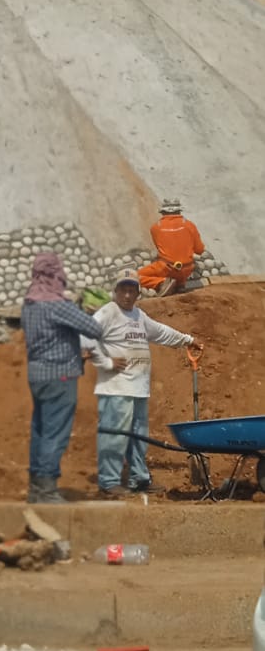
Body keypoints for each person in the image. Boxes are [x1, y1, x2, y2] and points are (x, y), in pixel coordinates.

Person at [85, 268, 195, 496]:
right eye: (123, 290)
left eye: (131, 290)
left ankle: (139, 478)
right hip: (116, 389)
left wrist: (188, 340)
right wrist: (106, 362)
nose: (127, 295)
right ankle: (109, 481)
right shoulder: (108, 313)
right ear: (115, 292)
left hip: (138, 389)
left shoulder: (139, 316)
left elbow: (161, 332)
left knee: (138, 438)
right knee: (114, 437)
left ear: (137, 294)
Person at [22, 252, 105, 503]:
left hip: (37, 375)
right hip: (61, 375)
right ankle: (47, 489)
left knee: (40, 430)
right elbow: (95, 329)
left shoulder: (29, 304)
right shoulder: (57, 305)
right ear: (55, 274)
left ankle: (36, 488)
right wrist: (88, 309)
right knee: (55, 433)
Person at [138, 200, 206, 295]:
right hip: (187, 270)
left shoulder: (155, 228)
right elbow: (200, 250)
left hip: (167, 269)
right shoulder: (190, 225)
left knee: (137, 276)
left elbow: (160, 249)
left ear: (162, 212)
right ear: (179, 211)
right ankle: (179, 285)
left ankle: (162, 283)